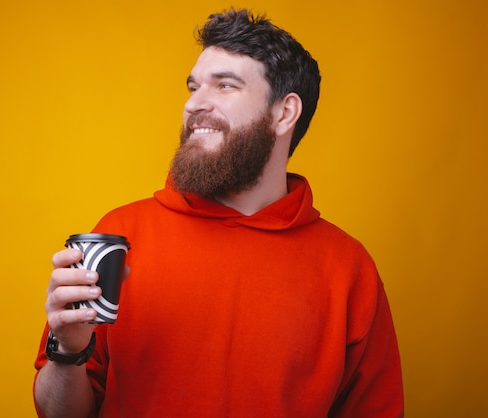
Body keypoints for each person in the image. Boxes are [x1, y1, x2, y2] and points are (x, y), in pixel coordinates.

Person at [33, 8, 404, 418]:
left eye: (225, 85)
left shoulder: (348, 269)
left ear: (284, 113)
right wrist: (67, 350)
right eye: (193, 87)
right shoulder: (120, 237)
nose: (194, 104)